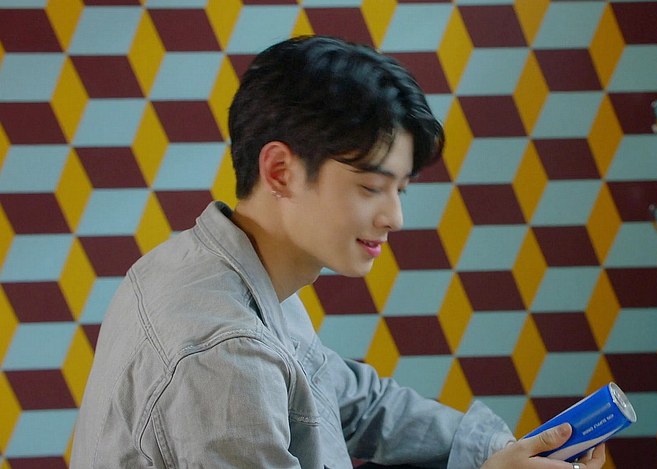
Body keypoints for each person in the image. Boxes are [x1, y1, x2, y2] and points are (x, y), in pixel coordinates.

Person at [70, 35, 606, 469]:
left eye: (400, 190)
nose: (394, 217)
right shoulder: (224, 355)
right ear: (280, 171)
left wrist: (503, 451)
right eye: (371, 187)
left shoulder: (215, 264)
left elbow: (355, 401)